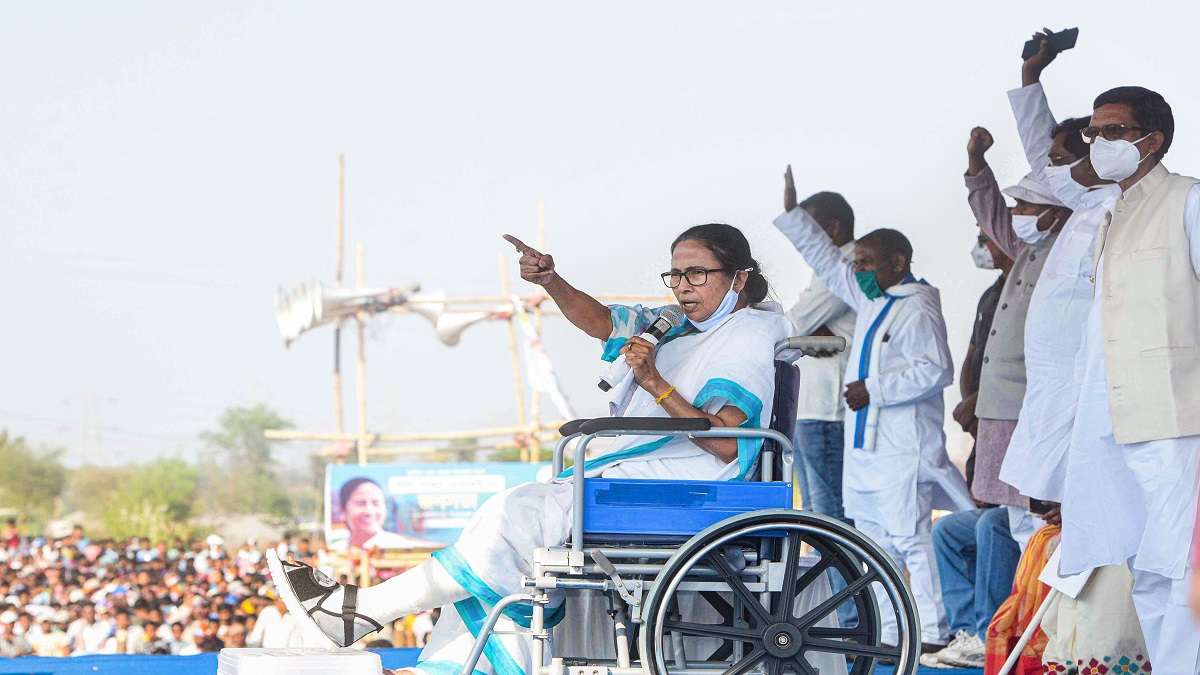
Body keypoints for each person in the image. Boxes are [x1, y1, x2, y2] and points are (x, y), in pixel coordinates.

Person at [268, 223, 795, 673]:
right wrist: (550, 280)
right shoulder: (679, 326)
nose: (682, 286)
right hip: (649, 471)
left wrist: (654, 382)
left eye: (696, 274)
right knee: (504, 541)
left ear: (739, 277)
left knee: (513, 518)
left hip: (698, 485)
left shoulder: (745, 334)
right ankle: (432, 658)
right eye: (675, 274)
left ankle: (364, 611)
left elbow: (727, 442)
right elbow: (603, 321)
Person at [773, 166, 974, 651]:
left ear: (898, 262)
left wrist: (874, 389)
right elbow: (829, 264)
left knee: (911, 541)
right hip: (868, 448)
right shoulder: (873, 301)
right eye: (857, 263)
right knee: (876, 545)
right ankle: (887, 630)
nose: (857, 271)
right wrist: (794, 217)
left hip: (903, 445)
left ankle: (932, 631)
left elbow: (935, 369)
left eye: (866, 263)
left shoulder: (916, 305)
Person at [1050, 81, 1200, 673]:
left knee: (1176, 567)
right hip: (1110, 420)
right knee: (1138, 564)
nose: (1097, 142)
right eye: (1093, 132)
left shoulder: (1188, 200)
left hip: (1175, 416)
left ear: (1152, 140)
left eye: (1111, 131)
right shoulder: (1110, 213)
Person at [921, 231, 1016, 669]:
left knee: (992, 526)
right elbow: (977, 357)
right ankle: (967, 633)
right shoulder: (995, 293)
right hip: (988, 434)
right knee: (948, 530)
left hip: (1030, 489)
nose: (978, 245)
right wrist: (973, 404)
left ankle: (989, 634)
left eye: (985, 235)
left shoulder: (1032, 289)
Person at [785, 191, 857, 522]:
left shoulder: (847, 263)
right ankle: (830, 578)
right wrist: (810, 338)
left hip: (828, 410)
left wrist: (804, 337)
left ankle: (847, 578)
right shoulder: (825, 269)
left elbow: (793, 325)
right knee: (814, 514)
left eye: (806, 229)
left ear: (831, 227)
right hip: (811, 407)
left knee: (830, 518)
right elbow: (800, 331)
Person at [328, 478, 439, 551]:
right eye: (361, 503)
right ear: (343, 510)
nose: (369, 511)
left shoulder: (399, 546)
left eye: (376, 503)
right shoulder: (336, 547)